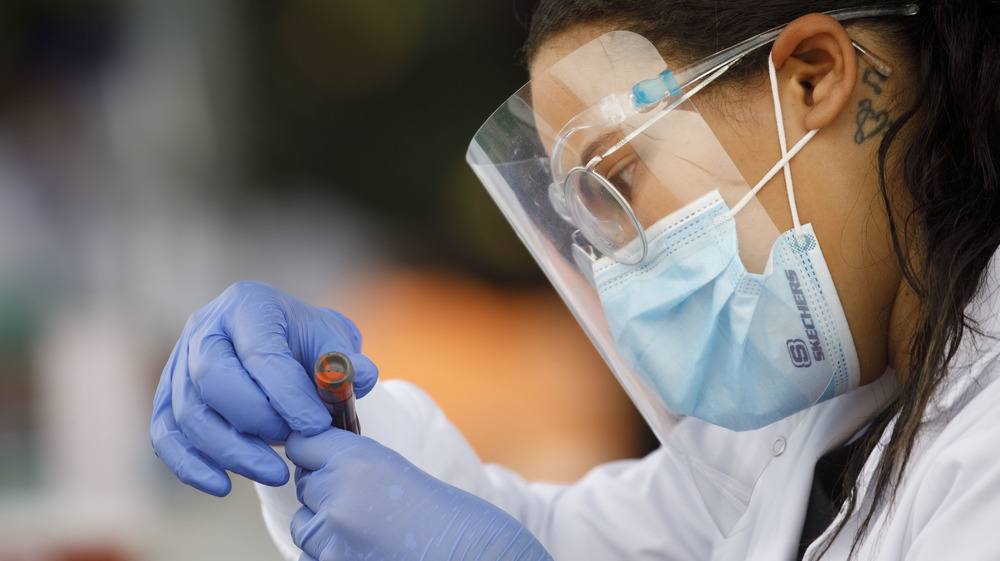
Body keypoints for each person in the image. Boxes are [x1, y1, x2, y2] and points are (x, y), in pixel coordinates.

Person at [150, 1, 1000, 559]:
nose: (618, 269)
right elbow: (560, 540)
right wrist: (329, 424)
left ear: (812, 74)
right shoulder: (809, 431)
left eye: (615, 180)